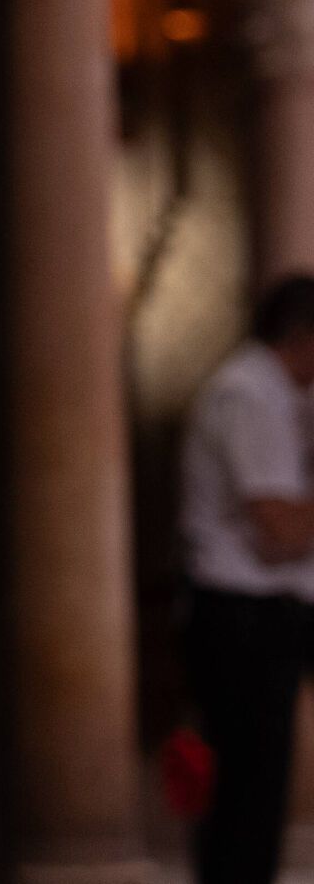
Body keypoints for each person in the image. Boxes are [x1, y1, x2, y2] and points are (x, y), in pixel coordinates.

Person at [181, 274, 314, 884]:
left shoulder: (272, 393)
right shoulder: (251, 394)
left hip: (260, 616)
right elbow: (279, 532)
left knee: (255, 791)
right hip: (242, 617)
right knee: (245, 795)